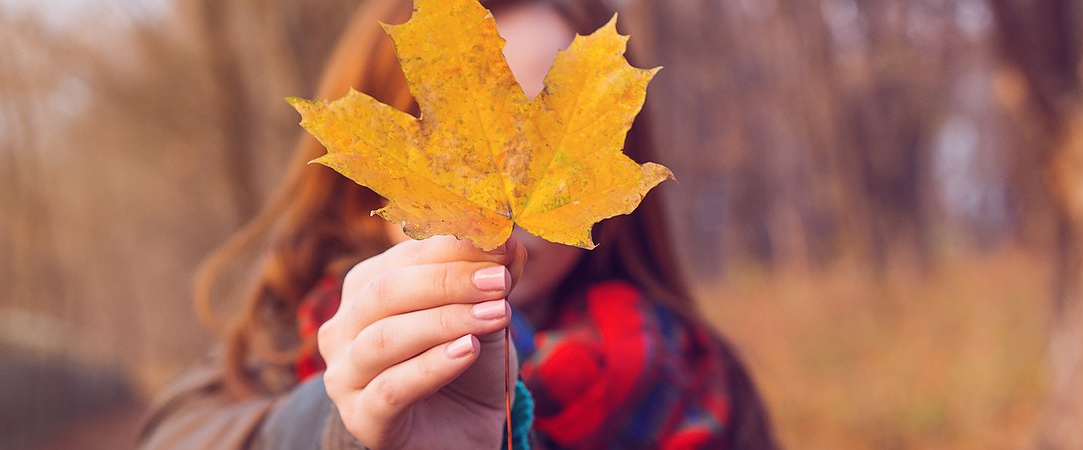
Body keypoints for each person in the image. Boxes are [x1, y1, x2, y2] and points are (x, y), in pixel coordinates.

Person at [139, 0, 776, 448]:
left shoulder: (704, 383)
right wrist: (342, 428)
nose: (495, 207)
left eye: (537, 142)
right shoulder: (275, 352)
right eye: (454, 144)